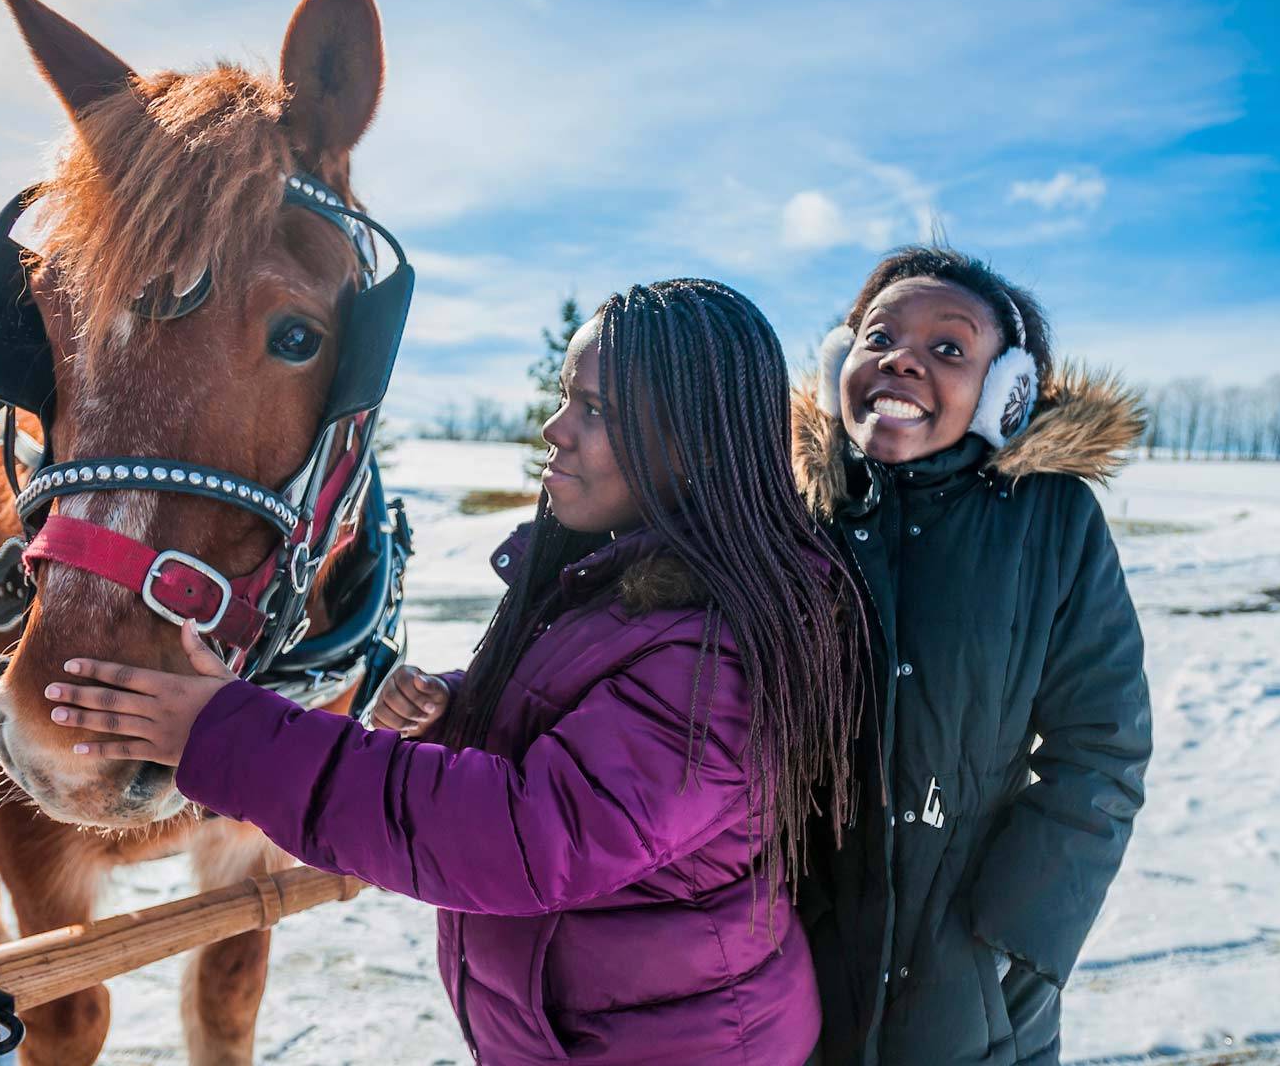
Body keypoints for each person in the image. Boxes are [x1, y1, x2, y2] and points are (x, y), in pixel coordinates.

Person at [42, 278, 867, 1065]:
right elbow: (592, 742)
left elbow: (531, 839)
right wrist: (461, 708)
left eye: (593, 410)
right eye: (562, 398)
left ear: (695, 442)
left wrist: (229, 738)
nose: (554, 429)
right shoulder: (616, 586)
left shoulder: (715, 651)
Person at [791, 246, 1152, 1065]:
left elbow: (1102, 748)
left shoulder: (1052, 522)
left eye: (949, 349)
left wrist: (1015, 946)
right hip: (790, 975)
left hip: (970, 994)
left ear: (1004, 394)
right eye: (879, 337)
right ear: (838, 364)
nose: (904, 359)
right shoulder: (786, 515)